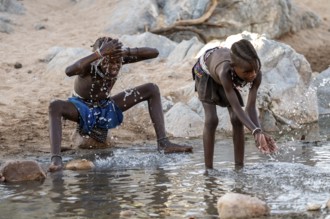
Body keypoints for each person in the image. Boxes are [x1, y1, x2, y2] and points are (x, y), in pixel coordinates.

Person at [48, 37, 193, 172]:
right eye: (109, 62)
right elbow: (69, 71)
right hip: (82, 107)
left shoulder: (117, 58)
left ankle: (163, 143)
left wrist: (123, 52)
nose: (114, 66)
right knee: (55, 106)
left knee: (151, 89)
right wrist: (100, 53)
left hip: (106, 107)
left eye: (118, 62)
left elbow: (154, 52)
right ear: (99, 59)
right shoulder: (89, 65)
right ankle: (56, 160)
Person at [192, 39, 278, 169]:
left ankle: (239, 167)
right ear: (234, 67)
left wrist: (259, 131)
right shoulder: (225, 72)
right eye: (247, 72)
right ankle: (208, 170)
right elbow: (236, 106)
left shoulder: (255, 73)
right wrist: (255, 131)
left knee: (237, 119)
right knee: (211, 119)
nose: (252, 75)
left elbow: (250, 107)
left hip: (224, 72)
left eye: (254, 70)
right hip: (206, 72)